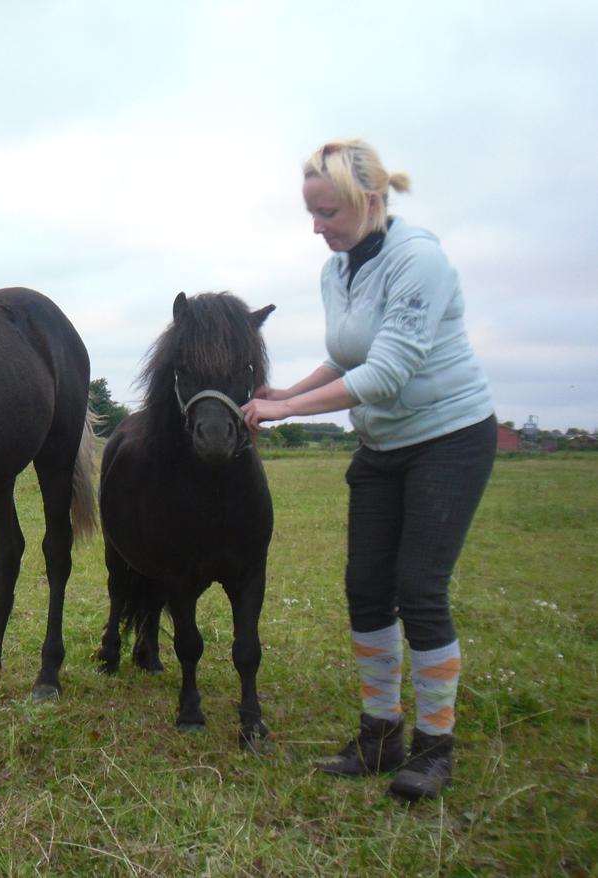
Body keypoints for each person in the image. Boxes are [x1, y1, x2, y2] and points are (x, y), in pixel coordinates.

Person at [241, 139, 494, 801]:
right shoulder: (339, 269)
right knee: (365, 586)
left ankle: (435, 747)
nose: (317, 228)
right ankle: (380, 734)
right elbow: (352, 356)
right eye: (312, 214)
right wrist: (284, 390)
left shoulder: (420, 262)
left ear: (372, 202)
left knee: (419, 587)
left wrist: (290, 409)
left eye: (329, 213)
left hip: (449, 439)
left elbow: (385, 373)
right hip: (381, 449)